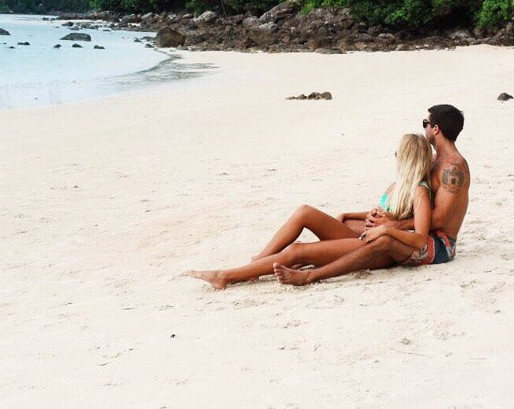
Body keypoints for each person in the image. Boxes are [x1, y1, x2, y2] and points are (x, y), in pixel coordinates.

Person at [186, 133, 434, 289]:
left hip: (376, 250)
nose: (394, 157)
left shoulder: (419, 192)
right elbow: (380, 213)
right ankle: (256, 263)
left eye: (397, 153)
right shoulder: (396, 185)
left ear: (407, 159)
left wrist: (383, 229)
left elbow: (419, 238)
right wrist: (354, 215)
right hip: (363, 237)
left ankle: (226, 276)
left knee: (297, 251)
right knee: (304, 212)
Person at [274, 104, 470, 287]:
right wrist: (362, 215)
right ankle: (312, 256)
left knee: (382, 238)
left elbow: (440, 218)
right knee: (349, 225)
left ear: (435, 129)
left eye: (425, 124)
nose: (424, 128)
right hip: (420, 232)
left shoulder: (452, 169)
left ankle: (312, 273)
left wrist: (392, 225)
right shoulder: (433, 160)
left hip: (439, 244)